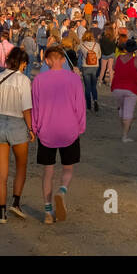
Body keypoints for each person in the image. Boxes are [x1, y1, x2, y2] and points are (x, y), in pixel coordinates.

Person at [31, 45, 86, 225]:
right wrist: (80, 126)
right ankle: (62, 191)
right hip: (69, 128)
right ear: (63, 60)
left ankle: (48, 211)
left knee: (48, 172)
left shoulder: (38, 80)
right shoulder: (74, 79)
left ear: (47, 60)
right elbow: (80, 105)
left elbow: (35, 108)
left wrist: (34, 128)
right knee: (68, 168)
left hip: (46, 130)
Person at [0, 47, 34, 223]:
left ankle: (2, 213)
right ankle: (16, 202)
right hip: (17, 123)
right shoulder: (24, 80)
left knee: (2, 172)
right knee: (21, 165)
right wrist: (31, 128)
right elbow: (27, 108)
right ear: (21, 63)